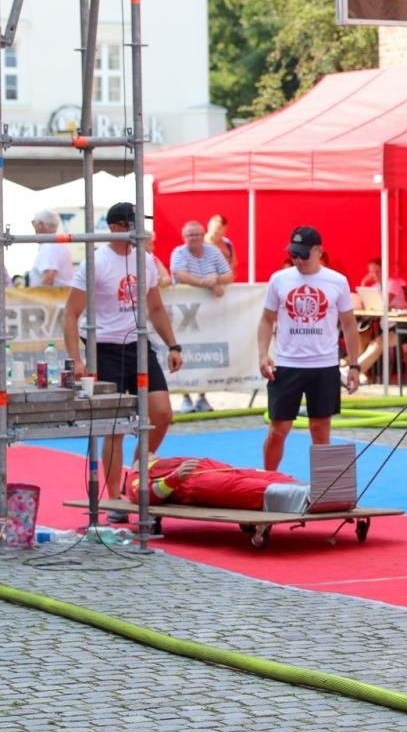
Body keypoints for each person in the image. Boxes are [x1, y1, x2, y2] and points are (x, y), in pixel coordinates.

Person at [62, 201, 185, 520]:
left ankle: (139, 467)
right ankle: (115, 497)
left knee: (162, 413)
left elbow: (155, 308)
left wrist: (173, 345)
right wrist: (76, 359)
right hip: (104, 348)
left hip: (138, 345)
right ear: (116, 227)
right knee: (114, 425)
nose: (137, 230)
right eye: (131, 224)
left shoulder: (144, 260)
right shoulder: (95, 262)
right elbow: (71, 313)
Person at [258, 226, 363, 472]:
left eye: (304, 255)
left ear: (319, 252)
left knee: (320, 429)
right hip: (287, 364)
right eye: (294, 254)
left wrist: (355, 365)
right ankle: (267, 479)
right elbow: (266, 319)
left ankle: (323, 490)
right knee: (278, 429)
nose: (298, 260)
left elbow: (349, 324)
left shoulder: (337, 281)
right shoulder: (279, 279)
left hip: (324, 365)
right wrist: (263, 354)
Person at [169, 219, 235, 414]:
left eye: (197, 234)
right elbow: (180, 275)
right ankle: (185, 397)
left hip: (209, 314)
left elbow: (228, 275)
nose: (194, 238)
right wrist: (209, 284)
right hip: (185, 315)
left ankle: (202, 396)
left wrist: (217, 279)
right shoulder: (179, 253)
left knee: (206, 351)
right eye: (190, 235)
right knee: (185, 350)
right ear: (184, 238)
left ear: (203, 234)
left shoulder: (213, 251)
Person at [125, 456, 313, 513]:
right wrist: (174, 478)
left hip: (213, 468)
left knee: (271, 475)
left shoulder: (155, 460)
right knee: (248, 487)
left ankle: (320, 491)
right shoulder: (135, 474)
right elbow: (143, 495)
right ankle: (304, 500)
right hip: (194, 480)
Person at [28, 209, 74, 287]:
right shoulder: (57, 244)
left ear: (39, 225)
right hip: (60, 296)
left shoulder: (49, 246)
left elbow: (48, 277)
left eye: (33, 223)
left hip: (52, 298)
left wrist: (37, 297)